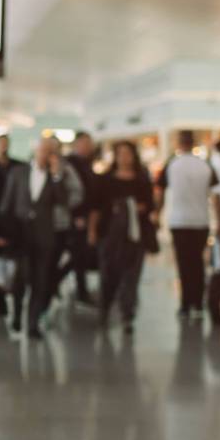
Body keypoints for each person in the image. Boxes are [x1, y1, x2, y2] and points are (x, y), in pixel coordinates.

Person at [0, 137, 84, 339]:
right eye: (42, 151)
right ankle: (17, 315)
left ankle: (33, 322)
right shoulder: (18, 173)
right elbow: (6, 204)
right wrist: (2, 232)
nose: (45, 155)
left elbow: (64, 202)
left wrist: (56, 177)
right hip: (21, 235)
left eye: (50, 152)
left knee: (40, 279)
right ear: (35, 151)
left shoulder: (57, 176)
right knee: (20, 278)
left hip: (45, 236)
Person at [89, 141, 155, 333]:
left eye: (128, 153)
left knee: (131, 277)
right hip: (110, 235)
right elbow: (96, 207)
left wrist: (133, 208)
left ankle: (128, 314)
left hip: (135, 236)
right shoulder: (106, 180)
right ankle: (105, 309)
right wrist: (92, 230)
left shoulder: (142, 180)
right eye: (121, 153)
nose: (124, 158)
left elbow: (149, 205)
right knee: (108, 274)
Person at [155, 130, 218, 320]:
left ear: (178, 143)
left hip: (179, 221)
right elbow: (216, 194)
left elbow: (159, 191)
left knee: (183, 264)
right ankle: (198, 304)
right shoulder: (205, 165)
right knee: (198, 263)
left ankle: (185, 304)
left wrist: (157, 214)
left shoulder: (172, 164)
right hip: (200, 220)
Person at [58, 131, 99, 304]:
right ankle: (78, 291)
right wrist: (75, 214)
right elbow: (68, 193)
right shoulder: (70, 163)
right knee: (77, 256)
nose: (87, 147)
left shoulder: (85, 164)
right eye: (84, 143)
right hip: (76, 218)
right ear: (76, 144)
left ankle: (56, 283)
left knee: (78, 256)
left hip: (85, 217)